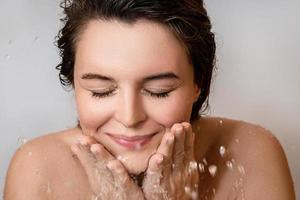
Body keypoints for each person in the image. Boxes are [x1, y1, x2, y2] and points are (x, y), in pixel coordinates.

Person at [4, 0, 295, 199]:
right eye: (101, 91)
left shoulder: (250, 153)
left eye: (159, 91)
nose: (130, 118)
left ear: (198, 83)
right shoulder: (39, 170)